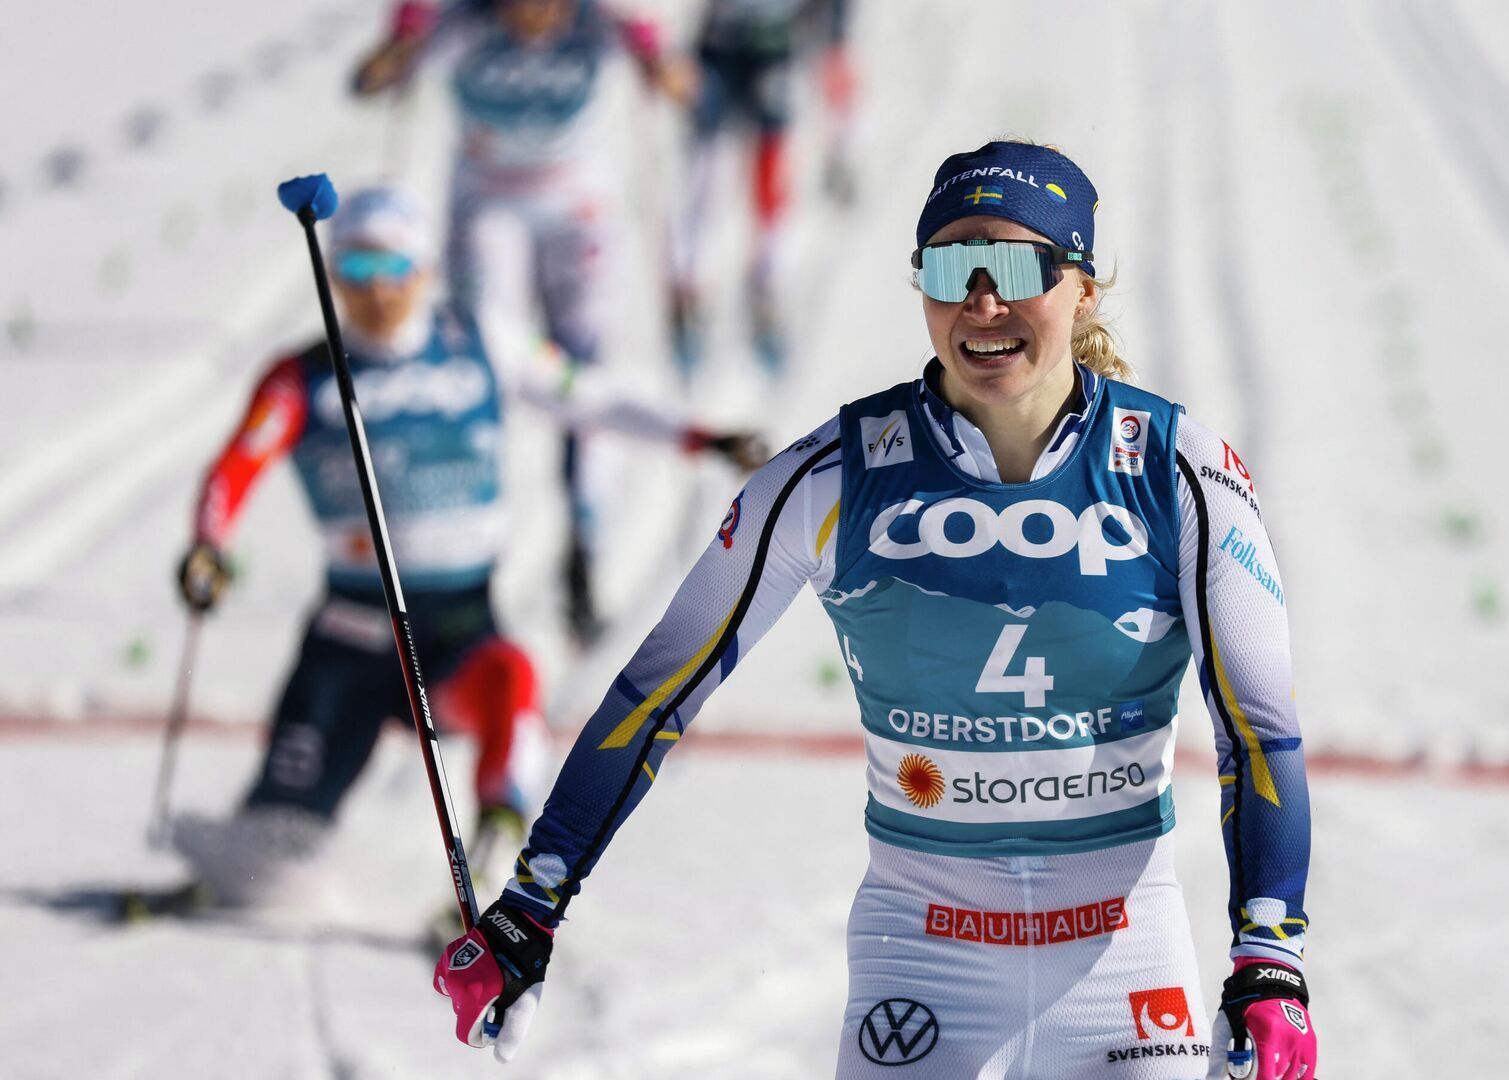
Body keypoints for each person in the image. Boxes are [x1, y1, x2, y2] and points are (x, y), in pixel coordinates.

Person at [434, 142, 1318, 1080]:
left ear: (1083, 286)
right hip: (925, 963)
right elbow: (656, 694)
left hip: (1125, 964)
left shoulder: (1178, 468)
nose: (982, 302)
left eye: (1019, 267)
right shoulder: (832, 476)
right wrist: (530, 906)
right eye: (949, 268)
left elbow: (1259, 730)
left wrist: (1272, 960)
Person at [171, 185, 763, 910]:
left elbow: (592, 397)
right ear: (333, 278)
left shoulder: (481, 339)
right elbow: (234, 467)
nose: (377, 292)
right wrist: (208, 547)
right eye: (356, 271)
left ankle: (490, 871)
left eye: (394, 269)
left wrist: (704, 435)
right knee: (264, 864)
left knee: (514, 681)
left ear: (424, 269)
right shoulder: (303, 376)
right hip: (350, 640)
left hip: (456, 629)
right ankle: (223, 879)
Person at [352, 0, 696, 643]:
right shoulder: (465, 22)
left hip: (577, 204)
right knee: (489, 368)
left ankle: (583, 547)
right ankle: (470, 560)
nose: (536, 15)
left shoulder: (600, 23)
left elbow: (681, 82)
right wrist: (398, 49)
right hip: (489, 205)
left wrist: (658, 59)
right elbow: (372, 80)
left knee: (584, 377)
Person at [665, 0, 855, 380]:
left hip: (773, 47)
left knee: (770, 175)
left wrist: (834, 40)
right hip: (719, 48)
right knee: (707, 172)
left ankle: (766, 289)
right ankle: (692, 289)